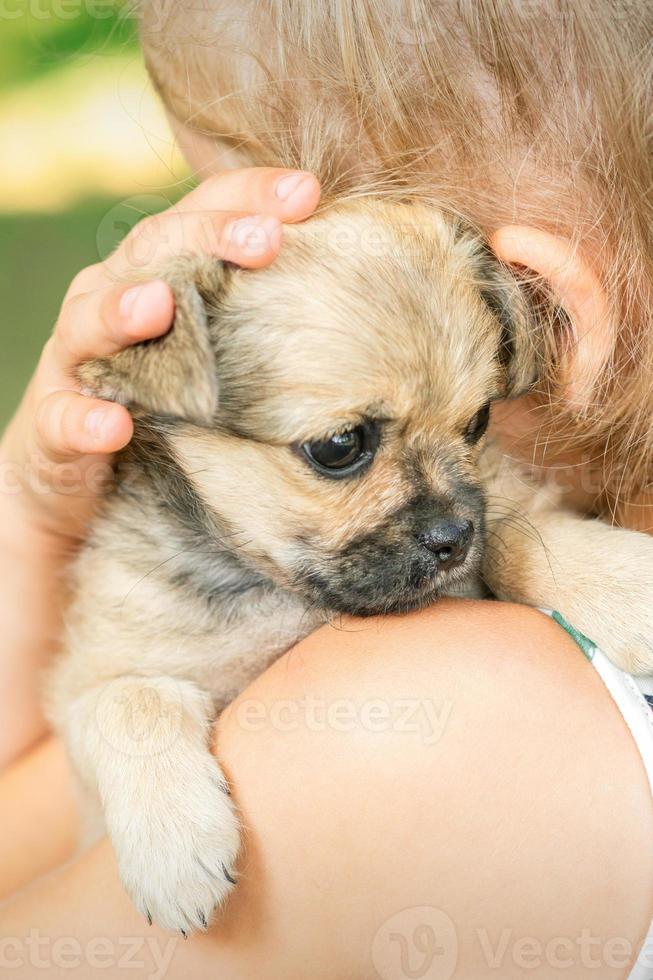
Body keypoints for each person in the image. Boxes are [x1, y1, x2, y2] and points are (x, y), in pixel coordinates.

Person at [1, 2, 653, 976]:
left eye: (469, 427)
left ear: (544, 314)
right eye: (347, 447)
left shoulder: (412, 729)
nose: (448, 523)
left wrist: (24, 527)